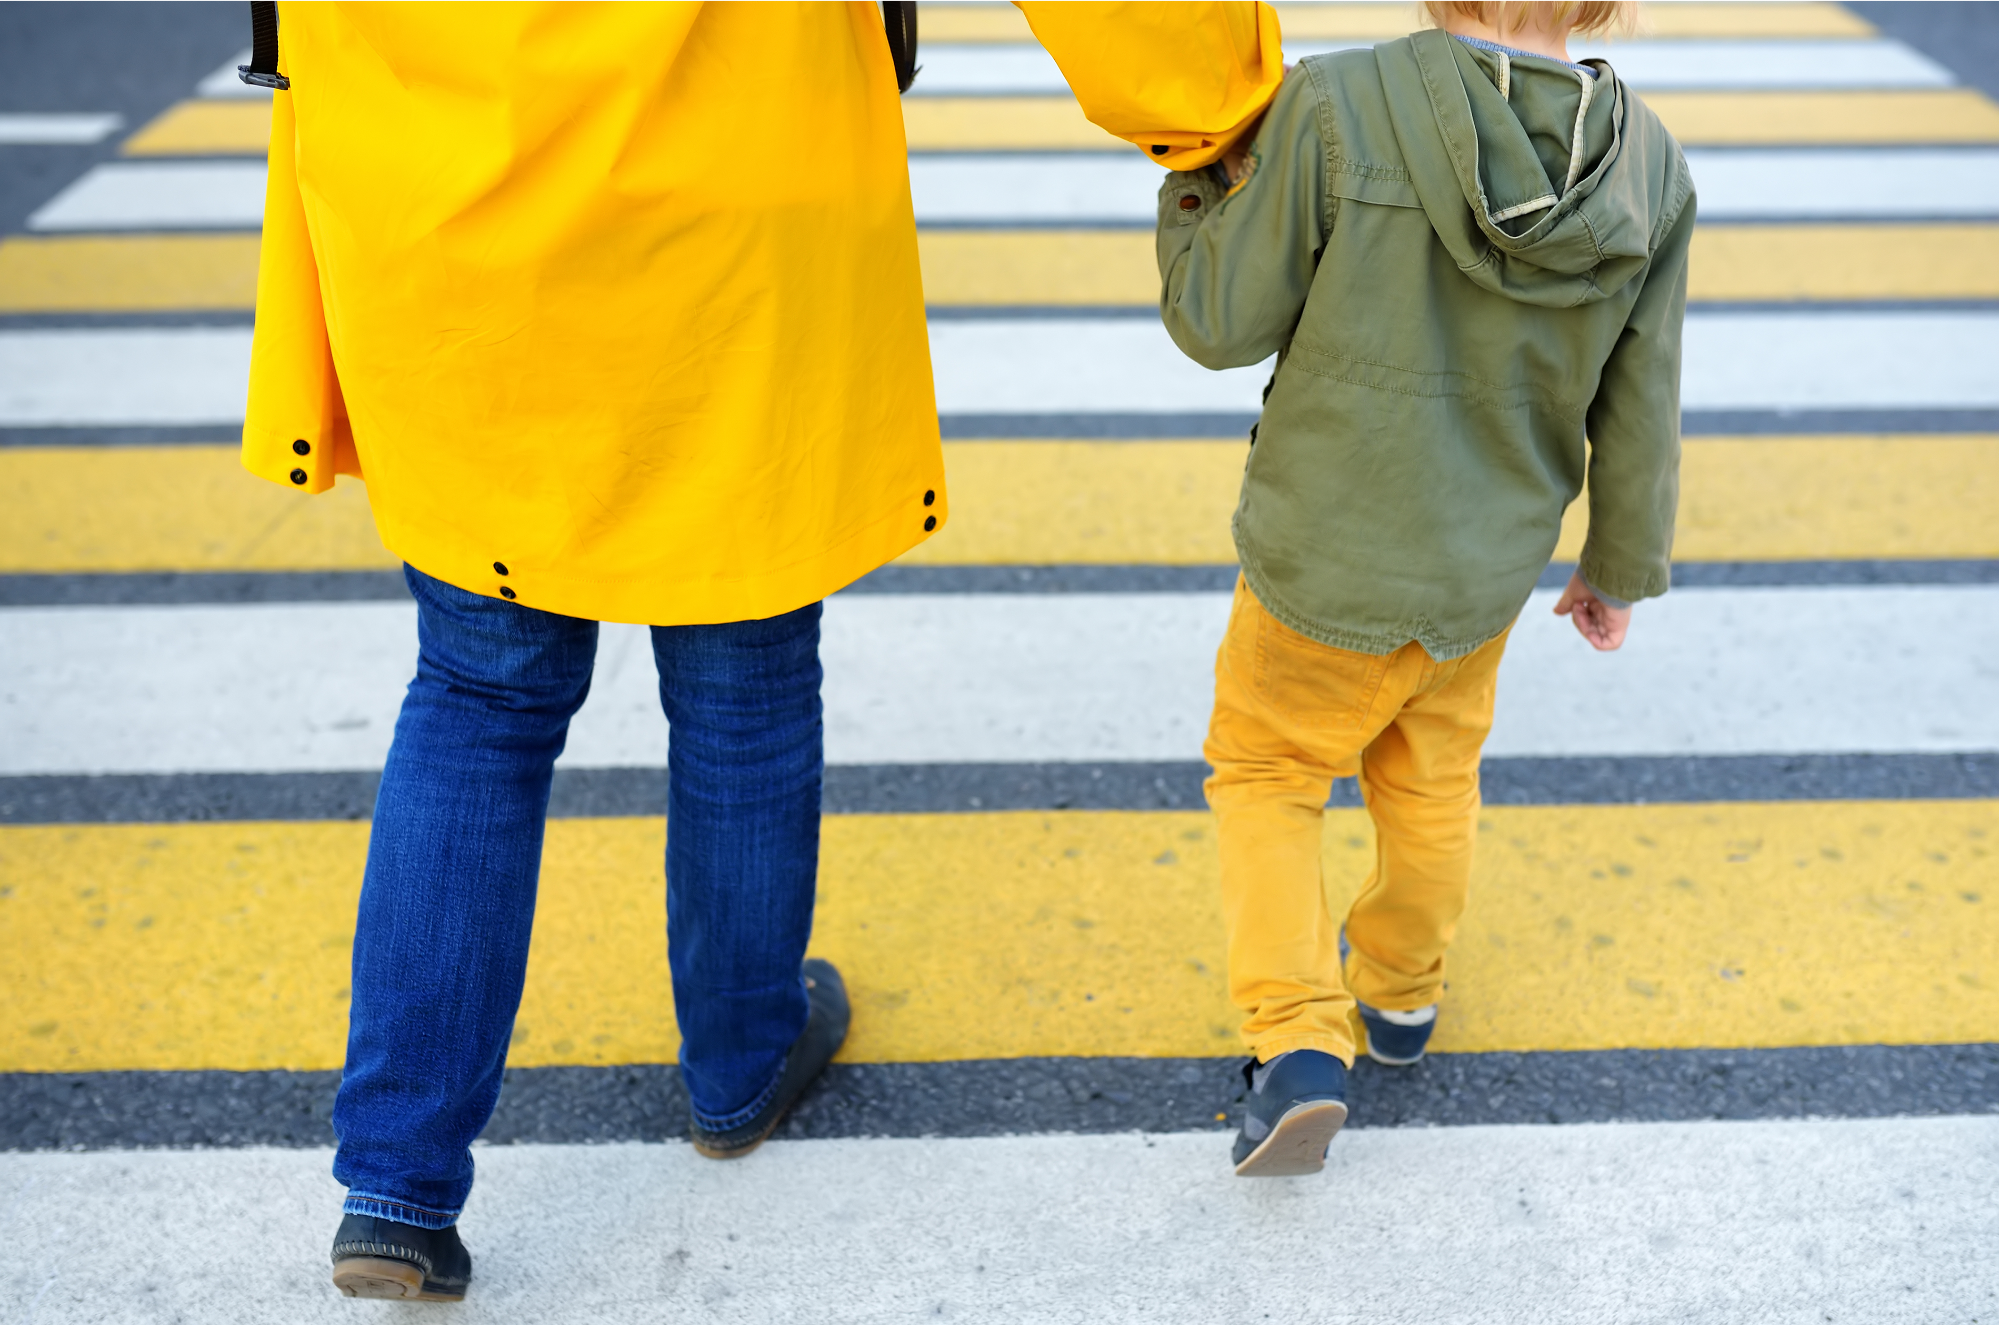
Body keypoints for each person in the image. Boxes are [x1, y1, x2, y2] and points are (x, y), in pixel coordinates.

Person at [238, 0, 1288, 1301]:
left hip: (431, 188)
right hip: (730, 191)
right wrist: (1216, 100)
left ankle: (393, 1188)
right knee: (742, 673)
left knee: (477, 691)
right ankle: (739, 1060)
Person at [1155, 0, 1691, 1176]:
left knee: (1268, 771)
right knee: (1431, 773)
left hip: (1320, 554)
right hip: (1482, 569)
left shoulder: (1338, 101)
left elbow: (1219, 321)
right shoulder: (1648, 161)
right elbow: (1643, 391)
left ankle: (1296, 1037)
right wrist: (1617, 566)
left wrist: (1196, 178)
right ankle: (1398, 992)